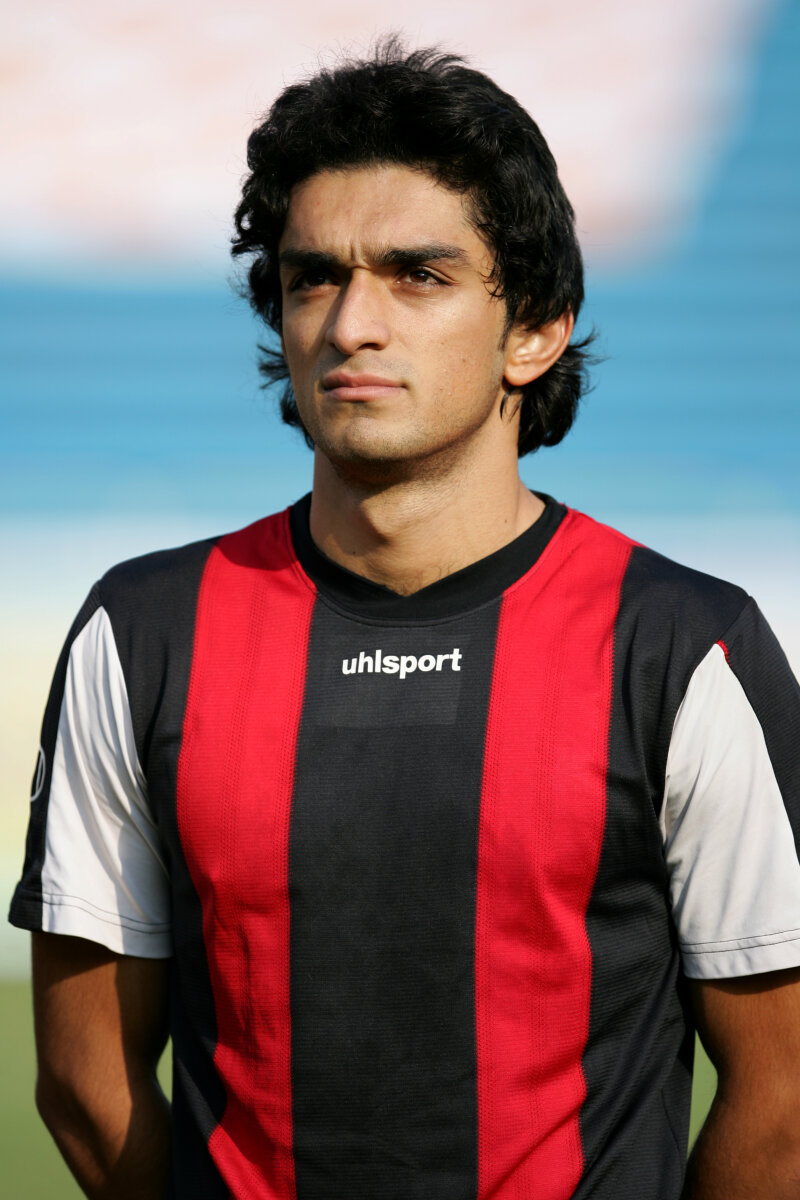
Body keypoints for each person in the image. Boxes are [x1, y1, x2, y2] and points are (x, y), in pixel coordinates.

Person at [9, 40, 800, 1200]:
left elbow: (782, 1099)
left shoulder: (682, 648)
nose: (350, 325)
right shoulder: (141, 635)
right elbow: (85, 1084)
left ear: (532, 329)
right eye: (313, 278)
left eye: (417, 275)